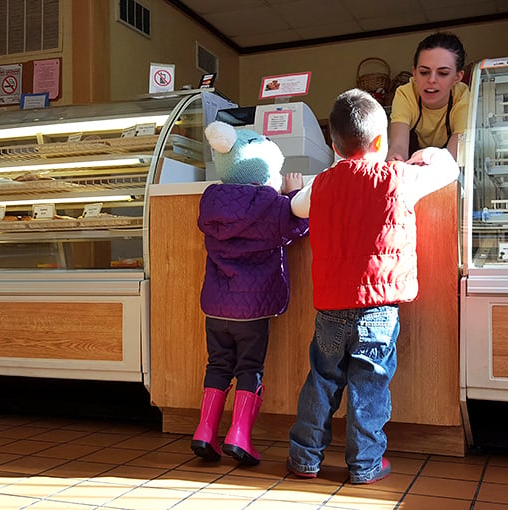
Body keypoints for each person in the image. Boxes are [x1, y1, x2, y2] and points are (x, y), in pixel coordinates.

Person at [286, 89, 459, 484]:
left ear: (333, 144)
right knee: (370, 386)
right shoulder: (400, 178)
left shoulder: (323, 185)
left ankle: (304, 460)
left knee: (321, 381)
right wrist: (430, 154)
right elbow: (449, 168)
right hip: (379, 311)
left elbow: (297, 206)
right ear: (381, 142)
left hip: (330, 308)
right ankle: (364, 464)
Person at [191, 121, 309, 466]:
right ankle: (240, 436)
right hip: (252, 310)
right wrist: (291, 195)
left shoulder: (211, 201)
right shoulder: (270, 204)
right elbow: (297, 227)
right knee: (249, 368)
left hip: (216, 308)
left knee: (218, 365)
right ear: (265, 171)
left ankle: (204, 432)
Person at [387, 32, 469, 162]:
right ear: (414, 73)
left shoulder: (464, 100)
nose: (431, 80)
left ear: (457, 77)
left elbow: (451, 158)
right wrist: (396, 160)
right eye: (424, 72)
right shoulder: (405, 94)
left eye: (443, 73)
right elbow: (398, 147)